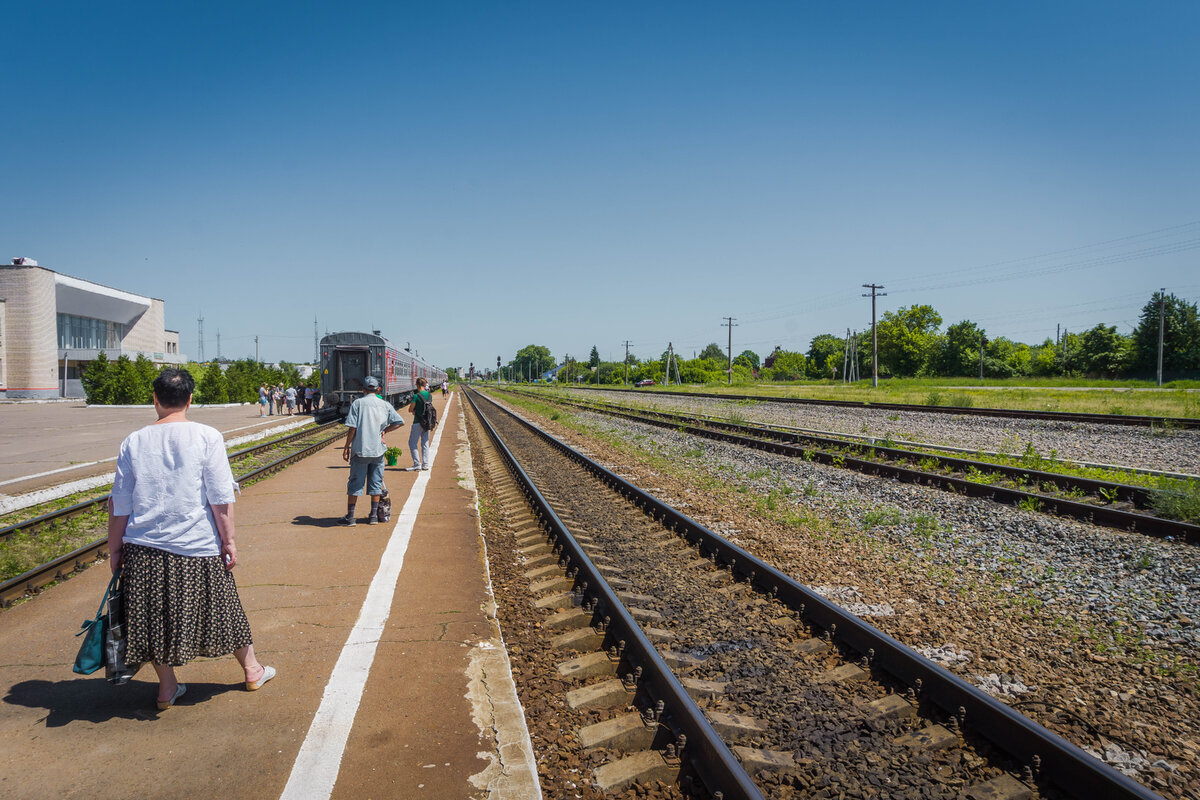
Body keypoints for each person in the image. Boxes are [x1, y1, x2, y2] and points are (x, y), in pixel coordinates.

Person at [107, 368, 274, 710]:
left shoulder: (134, 441)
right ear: (190, 399)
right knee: (225, 610)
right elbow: (220, 496)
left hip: (144, 548)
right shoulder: (206, 436)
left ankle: (167, 689)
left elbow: (119, 503)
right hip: (196, 546)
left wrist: (115, 547)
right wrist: (229, 540)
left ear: (154, 399)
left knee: (152, 618)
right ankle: (252, 670)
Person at [340, 376, 404, 525]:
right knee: (376, 483)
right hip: (378, 451)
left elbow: (353, 428)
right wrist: (385, 431)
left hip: (360, 450)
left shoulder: (358, 403)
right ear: (378, 390)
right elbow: (400, 422)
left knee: (355, 483)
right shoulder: (384, 404)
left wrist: (346, 446)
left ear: (363, 389)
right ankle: (374, 517)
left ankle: (351, 517)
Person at [406, 377, 433, 471]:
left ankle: (417, 464)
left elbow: (410, 409)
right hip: (427, 422)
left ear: (417, 384)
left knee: (412, 443)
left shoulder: (416, 396)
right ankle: (425, 464)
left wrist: (414, 411)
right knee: (425, 443)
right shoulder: (429, 395)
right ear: (425, 385)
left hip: (417, 422)